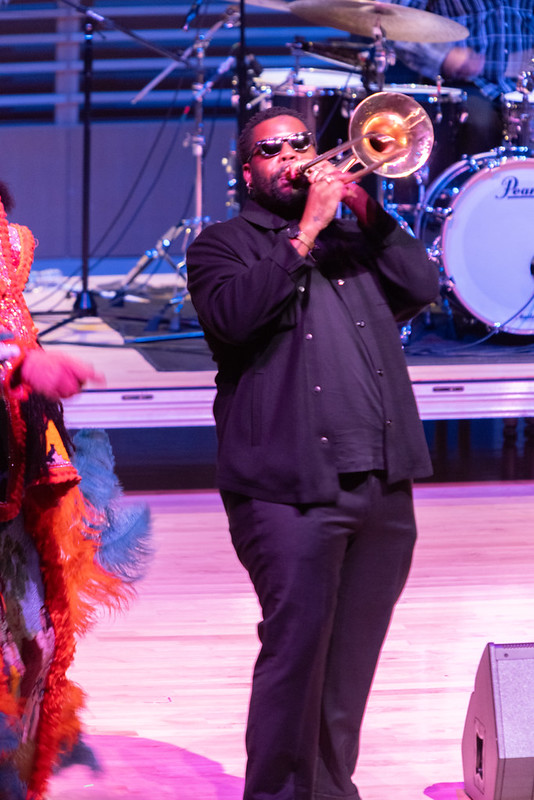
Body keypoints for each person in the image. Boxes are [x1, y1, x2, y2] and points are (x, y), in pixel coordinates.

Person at [186, 106, 439, 800]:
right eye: (273, 150)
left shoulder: (356, 243)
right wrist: (305, 232)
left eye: (302, 142)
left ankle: (331, 791)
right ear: (248, 173)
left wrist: (370, 212)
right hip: (287, 490)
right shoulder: (223, 245)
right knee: (296, 661)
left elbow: (423, 289)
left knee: (349, 667)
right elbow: (235, 319)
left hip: (381, 483)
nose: (294, 155)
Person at [0, 181, 150, 800]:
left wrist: (28, 361)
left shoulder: (10, 236)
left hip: (18, 441)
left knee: (37, 626)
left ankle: (22, 756)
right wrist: (19, 364)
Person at [386, 0, 534, 155]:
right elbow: (393, 16)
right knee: (479, 124)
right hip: (464, 84)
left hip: (523, 84)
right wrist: (444, 56)